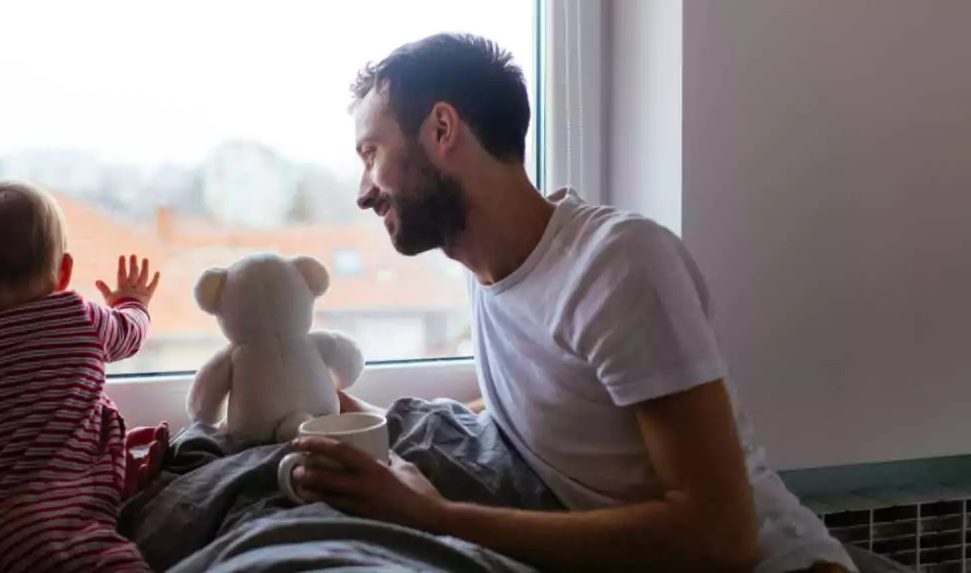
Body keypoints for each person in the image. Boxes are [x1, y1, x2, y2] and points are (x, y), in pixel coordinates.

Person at [291, 33, 855, 573]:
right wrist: (353, 417)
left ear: (442, 129)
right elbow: (551, 413)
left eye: (371, 153)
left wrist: (436, 517)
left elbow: (721, 539)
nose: (364, 191)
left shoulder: (617, 265)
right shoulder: (487, 269)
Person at [0, 181, 163, 572]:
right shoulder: (78, 316)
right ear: (64, 273)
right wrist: (133, 302)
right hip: (69, 532)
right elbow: (129, 336)